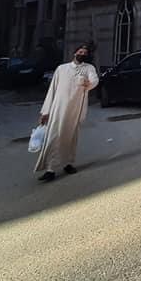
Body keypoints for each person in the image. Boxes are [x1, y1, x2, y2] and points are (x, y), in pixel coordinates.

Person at [34, 43, 99, 183]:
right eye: (80, 52)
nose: (82, 54)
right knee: (53, 137)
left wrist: (87, 83)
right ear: (74, 53)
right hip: (58, 109)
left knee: (70, 137)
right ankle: (50, 169)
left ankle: (68, 163)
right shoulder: (62, 69)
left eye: (85, 53)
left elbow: (94, 81)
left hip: (74, 110)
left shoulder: (89, 68)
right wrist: (45, 112)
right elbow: (52, 90)